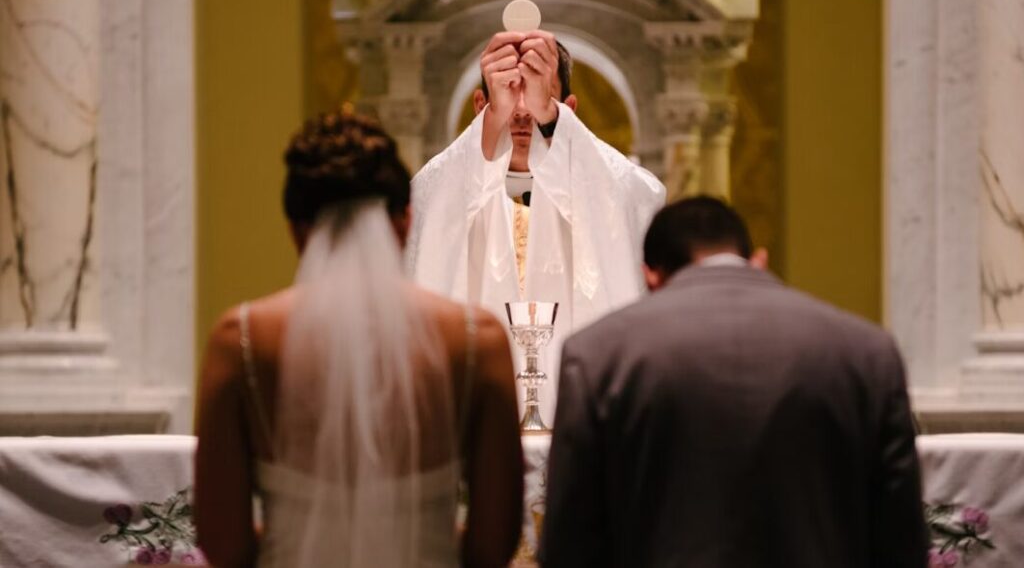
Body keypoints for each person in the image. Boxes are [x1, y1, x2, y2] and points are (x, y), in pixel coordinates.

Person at [194, 111, 523, 567]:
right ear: (405, 220)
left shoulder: (242, 341)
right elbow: (493, 546)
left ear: (297, 229)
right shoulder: (476, 340)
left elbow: (224, 546)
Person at [540, 196, 928, 567]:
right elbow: (901, 540)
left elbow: (571, 544)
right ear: (758, 261)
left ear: (650, 276)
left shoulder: (597, 354)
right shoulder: (867, 351)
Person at [408, 30, 665, 422]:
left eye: (537, 96)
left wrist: (552, 120)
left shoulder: (599, 183)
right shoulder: (452, 185)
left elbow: (640, 197)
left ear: (568, 109)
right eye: (509, 94)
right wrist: (494, 120)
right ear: (480, 105)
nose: (522, 111)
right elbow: (426, 208)